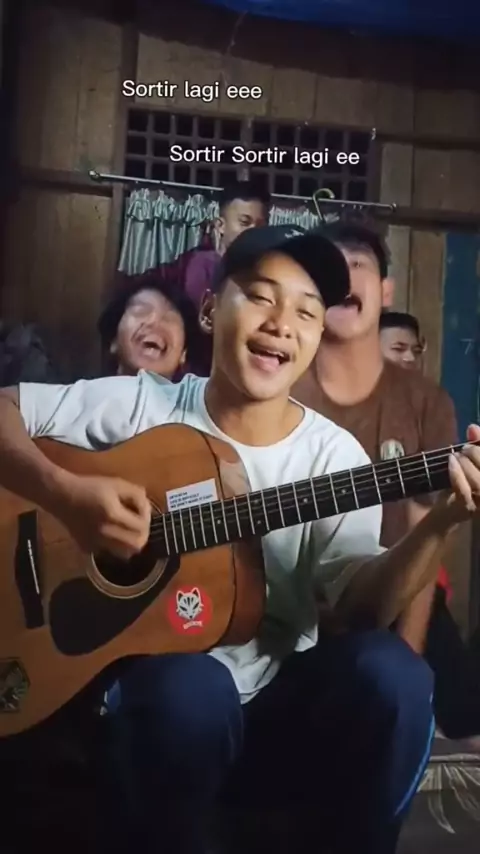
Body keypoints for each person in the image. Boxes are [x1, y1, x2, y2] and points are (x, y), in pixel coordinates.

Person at [1, 225, 479, 854]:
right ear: (209, 309)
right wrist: (66, 494)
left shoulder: (332, 455)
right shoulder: (142, 404)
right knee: (190, 690)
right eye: (260, 296)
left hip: (283, 707)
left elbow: (363, 609)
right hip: (164, 705)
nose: (282, 323)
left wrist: (441, 523)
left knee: (398, 677)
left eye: (307, 312)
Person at [293, 222, 457, 657]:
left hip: (387, 611)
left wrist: (406, 655)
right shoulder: (277, 390)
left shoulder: (426, 401)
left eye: (358, 263)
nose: (344, 275)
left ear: (385, 291)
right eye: (331, 266)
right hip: (284, 620)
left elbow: (425, 540)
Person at [158, 180, 270, 312]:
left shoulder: (268, 269)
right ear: (220, 225)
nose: (253, 230)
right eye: (244, 222)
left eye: (261, 225)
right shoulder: (202, 266)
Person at [98, 273, 208, 378]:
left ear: (183, 353)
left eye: (169, 319)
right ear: (114, 340)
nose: (154, 321)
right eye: (141, 311)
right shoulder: (88, 390)